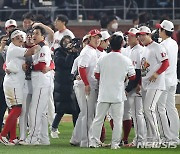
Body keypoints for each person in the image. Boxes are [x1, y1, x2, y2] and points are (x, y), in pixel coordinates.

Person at [90, 34, 136, 150]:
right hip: (118, 94)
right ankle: (115, 144)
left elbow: (96, 75)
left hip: (104, 92)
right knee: (117, 120)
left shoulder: (102, 58)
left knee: (98, 119)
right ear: (122, 44)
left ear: (110, 43)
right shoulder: (126, 60)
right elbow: (133, 77)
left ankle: (93, 142)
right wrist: (123, 76)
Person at [0, 29, 41, 145]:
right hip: (13, 83)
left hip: (15, 82)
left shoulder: (15, 49)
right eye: (18, 38)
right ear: (12, 39)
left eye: (21, 37)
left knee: (14, 109)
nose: (21, 40)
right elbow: (32, 51)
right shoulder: (14, 49)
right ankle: (3, 135)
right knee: (17, 109)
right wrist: (40, 44)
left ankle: (12, 137)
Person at [137, 26, 169, 143]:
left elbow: (166, 62)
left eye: (143, 34)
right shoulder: (144, 49)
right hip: (146, 83)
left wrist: (157, 73)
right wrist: (140, 84)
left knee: (148, 109)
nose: (141, 37)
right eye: (139, 35)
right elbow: (142, 68)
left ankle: (156, 138)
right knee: (148, 111)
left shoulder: (157, 47)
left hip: (155, 83)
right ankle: (150, 137)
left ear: (149, 34)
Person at [25, 26, 52, 145]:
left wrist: (29, 67)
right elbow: (51, 63)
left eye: (37, 33)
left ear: (43, 36)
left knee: (35, 110)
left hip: (41, 81)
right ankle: (44, 138)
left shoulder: (43, 48)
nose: (34, 35)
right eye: (33, 33)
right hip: (42, 81)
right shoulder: (40, 47)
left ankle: (32, 138)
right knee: (41, 112)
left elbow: (41, 66)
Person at [156, 20, 179, 144]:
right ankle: (174, 137)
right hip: (173, 80)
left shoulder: (162, 45)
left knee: (161, 108)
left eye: (160, 29)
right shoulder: (174, 43)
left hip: (164, 81)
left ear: (164, 31)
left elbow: (161, 63)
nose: (159, 31)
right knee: (171, 108)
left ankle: (167, 137)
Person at [51, 35, 78, 138]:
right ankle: (54, 128)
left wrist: (74, 52)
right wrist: (71, 54)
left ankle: (76, 130)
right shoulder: (58, 52)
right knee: (61, 109)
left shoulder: (73, 52)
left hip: (70, 82)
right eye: (65, 42)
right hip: (61, 83)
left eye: (69, 42)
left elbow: (75, 64)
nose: (67, 44)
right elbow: (65, 64)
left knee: (75, 109)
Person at [124, 28, 145, 146]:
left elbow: (138, 73)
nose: (128, 38)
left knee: (138, 114)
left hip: (136, 87)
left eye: (131, 36)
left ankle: (140, 140)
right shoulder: (130, 50)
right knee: (136, 114)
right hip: (133, 85)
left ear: (137, 38)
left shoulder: (138, 51)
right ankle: (139, 139)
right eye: (127, 36)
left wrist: (129, 88)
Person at [0, 35, 8, 132]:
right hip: (1, 82)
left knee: (4, 107)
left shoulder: (12, 51)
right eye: (3, 41)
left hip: (7, 83)